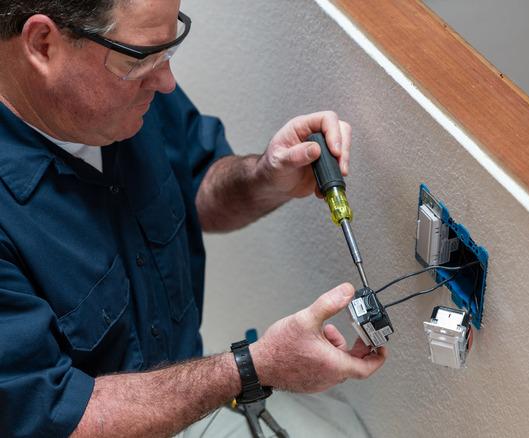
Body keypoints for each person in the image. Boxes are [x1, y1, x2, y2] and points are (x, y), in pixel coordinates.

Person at [0, 0, 387, 436]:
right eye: (143, 58)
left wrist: (264, 177)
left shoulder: (126, 88)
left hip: (188, 405)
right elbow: (55, 418)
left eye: (169, 50)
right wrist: (251, 367)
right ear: (42, 44)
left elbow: (196, 186)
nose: (167, 82)